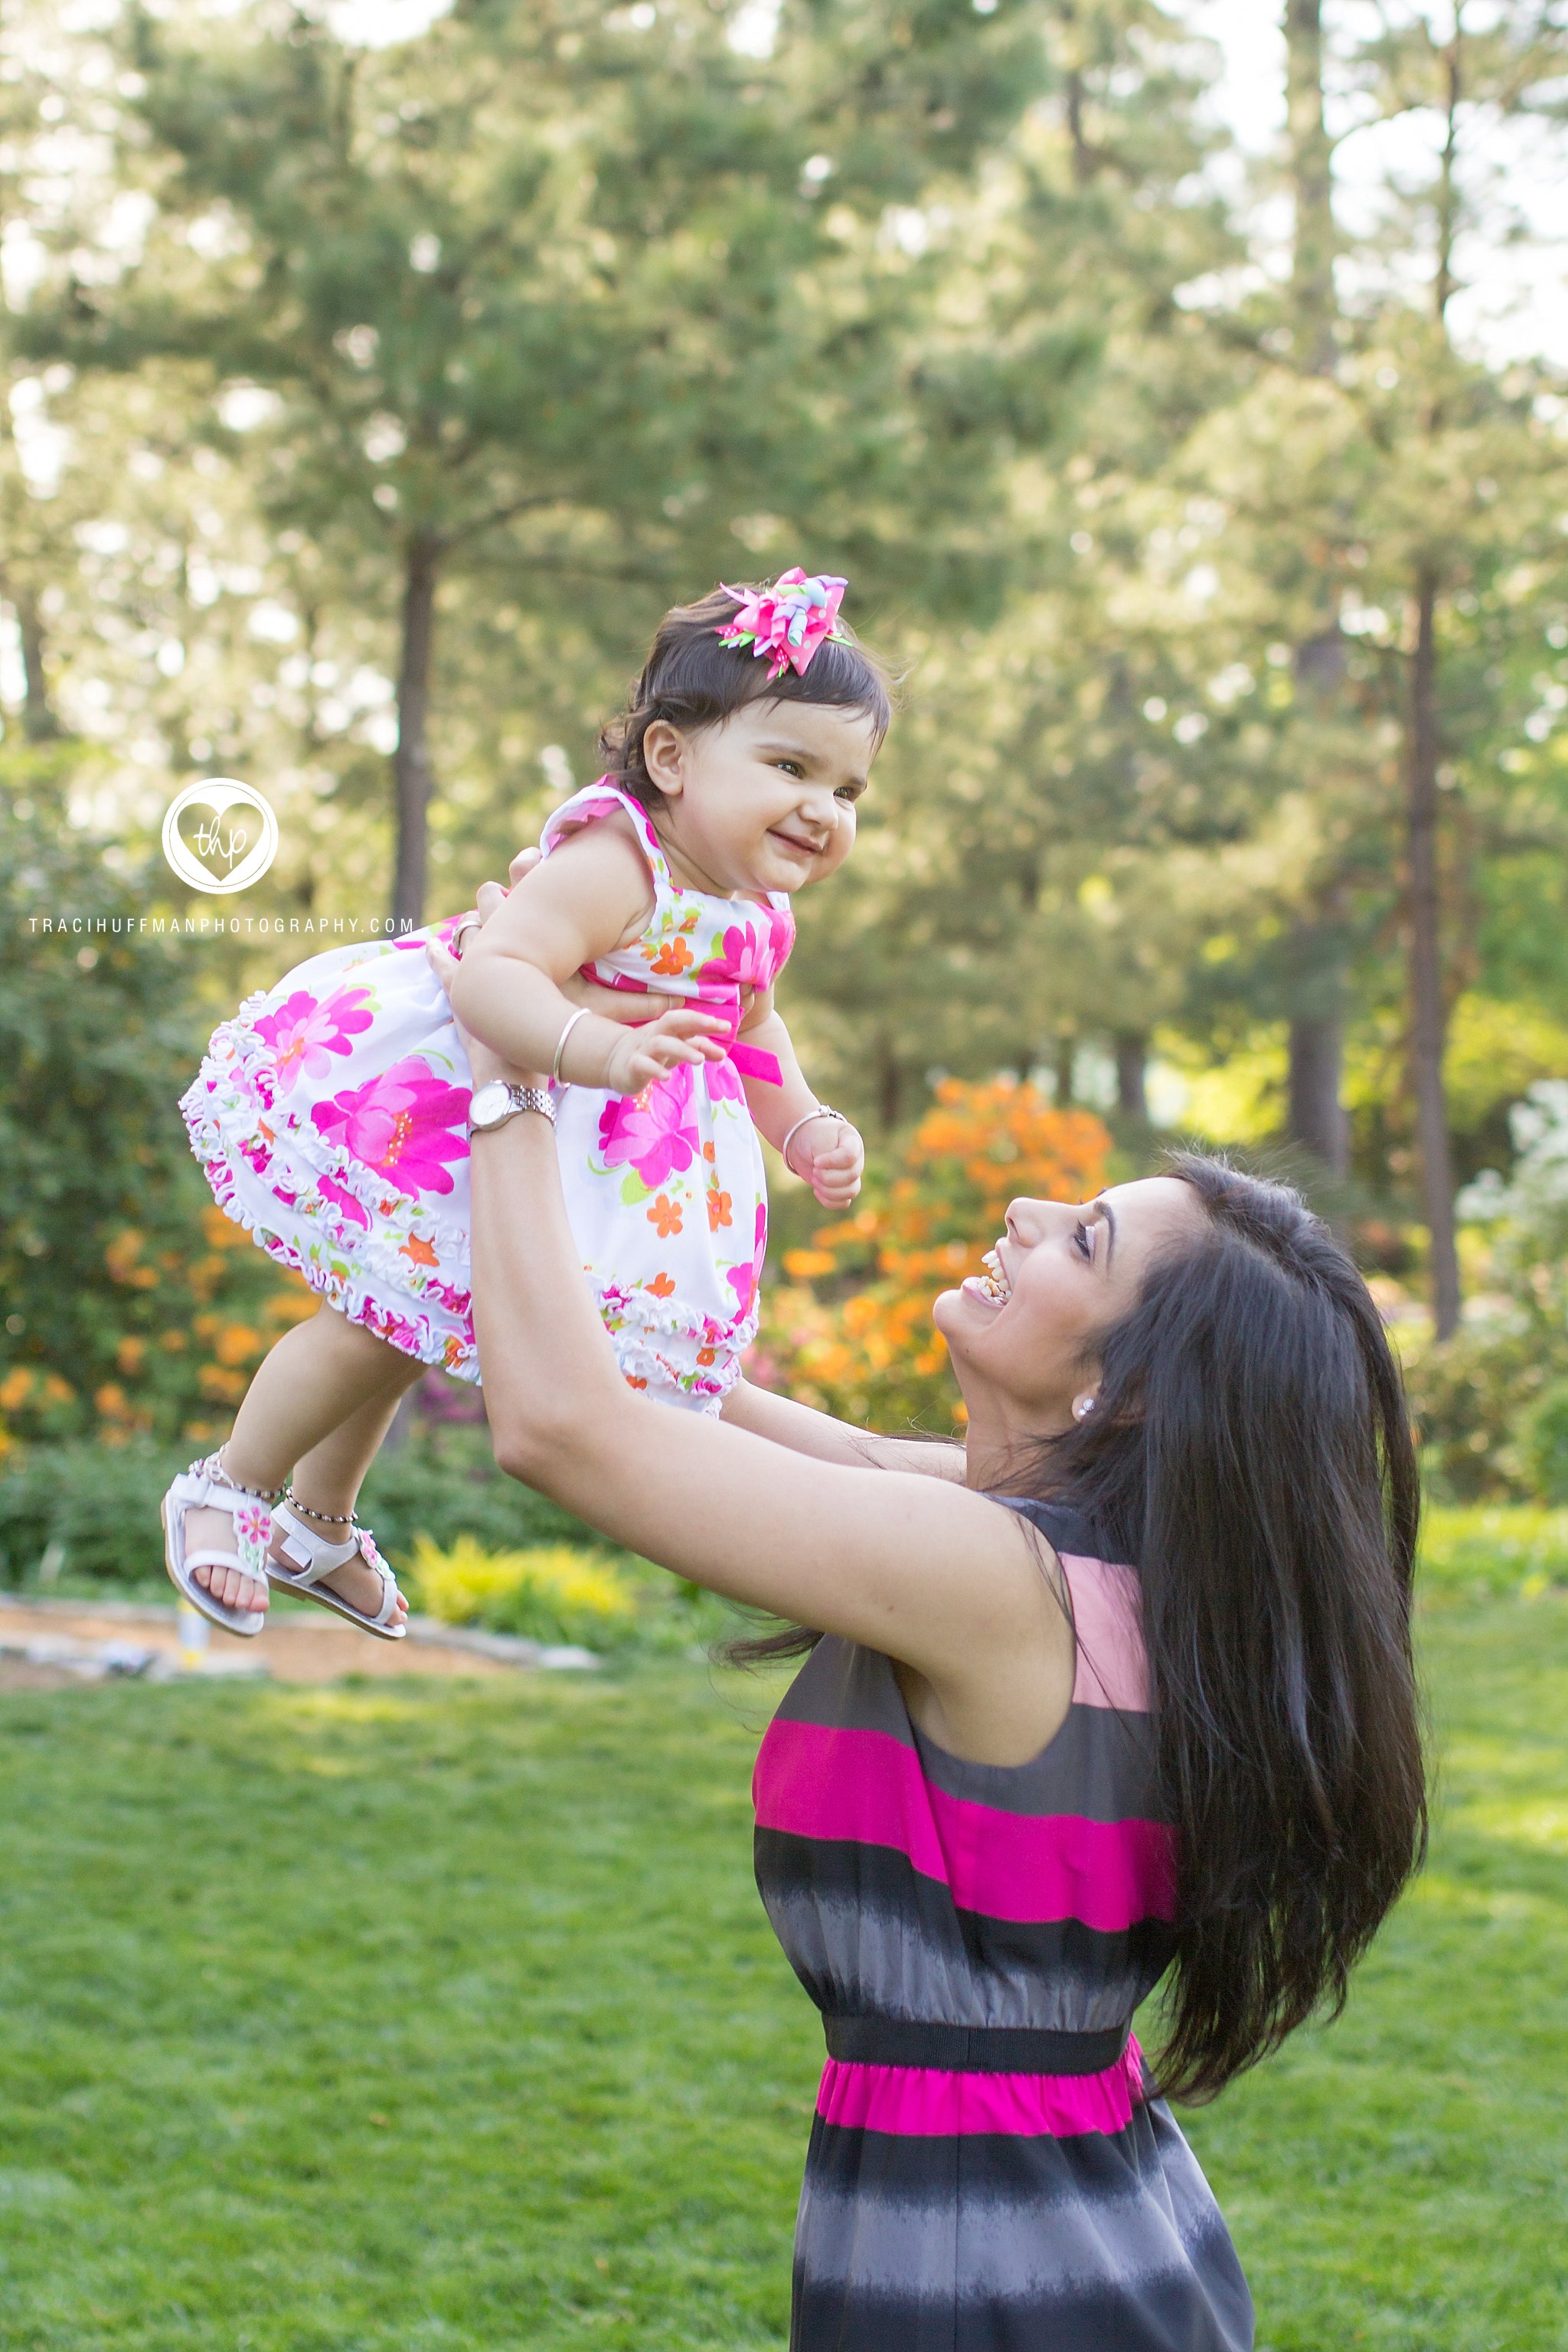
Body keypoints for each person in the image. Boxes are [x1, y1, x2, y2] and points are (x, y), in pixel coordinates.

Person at [425, 887, 1427, 2352]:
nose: (1022, 1211)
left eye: (1080, 1240)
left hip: (1001, 2272)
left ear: (1126, 1392)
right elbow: (670, 1403)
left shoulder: (992, 1580)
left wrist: (505, 1062)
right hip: (1063, 2226)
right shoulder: (1080, 1562)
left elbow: (569, 1435)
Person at [161, 570, 882, 1641]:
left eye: (849, 790)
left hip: (576, 1149)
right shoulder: (619, 862)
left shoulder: (757, 915)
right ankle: (228, 1486)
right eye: (790, 767)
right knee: (372, 1323)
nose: (822, 809)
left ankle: (317, 1520)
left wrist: (806, 1125)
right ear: (673, 758)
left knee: (412, 1317)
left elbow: (755, 1034)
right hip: (463, 1104)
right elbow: (497, 973)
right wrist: (591, 1045)